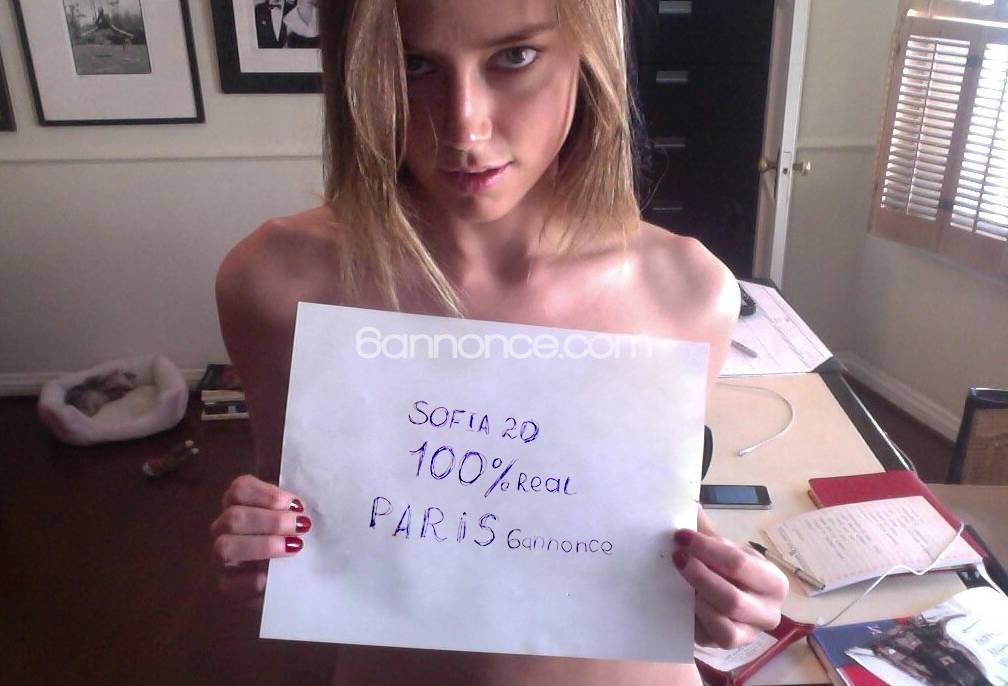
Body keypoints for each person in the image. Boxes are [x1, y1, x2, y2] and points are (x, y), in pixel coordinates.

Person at [210, 1, 788, 684]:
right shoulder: (275, 285)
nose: (465, 127)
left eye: (514, 57)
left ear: (589, 55)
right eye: (412, 64)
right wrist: (262, 553)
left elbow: (650, 525)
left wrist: (723, 588)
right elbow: (303, 527)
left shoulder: (686, 292)